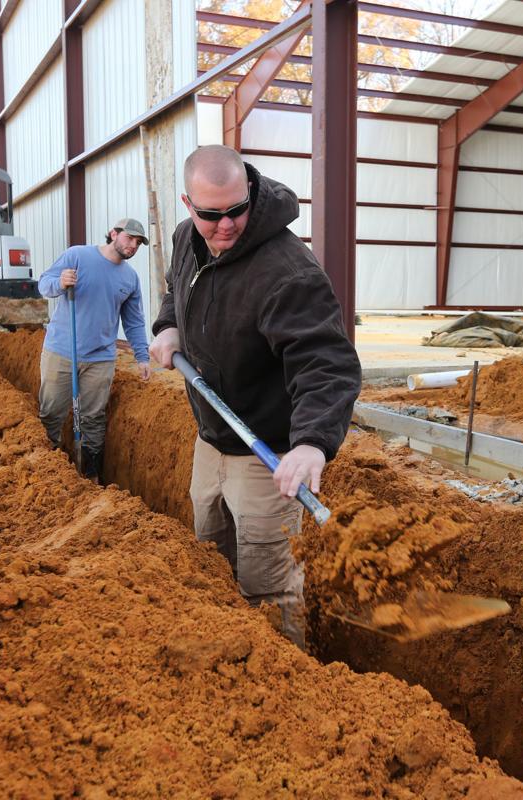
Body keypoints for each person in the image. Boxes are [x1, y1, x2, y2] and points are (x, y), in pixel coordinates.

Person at [149, 145, 361, 647]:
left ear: (250, 190)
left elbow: (326, 363)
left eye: (237, 210)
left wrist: (311, 442)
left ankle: (283, 677)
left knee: (267, 589)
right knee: (209, 562)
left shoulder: (287, 271)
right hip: (210, 440)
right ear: (188, 205)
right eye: (211, 214)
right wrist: (169, 325)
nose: (226, 225)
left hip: (267, 454)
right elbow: (176, 288)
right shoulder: (186, 239)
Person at [37, 218, 152, 481]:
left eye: (138, 243)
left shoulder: (130, 278)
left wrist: (142, 356)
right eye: (129, 238)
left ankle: (90, 477)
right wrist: (60, 282)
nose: (133, 246)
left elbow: (134, 321)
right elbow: (44, 283)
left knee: (93, 419)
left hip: (100, 359)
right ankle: (46, 475)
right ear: (114, 233)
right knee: (51, 413)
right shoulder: (77, 256)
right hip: (62, 351)